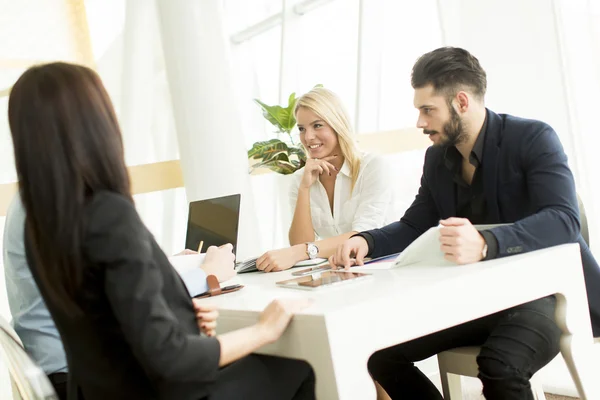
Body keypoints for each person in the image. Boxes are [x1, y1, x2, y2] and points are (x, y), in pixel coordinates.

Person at [7, 62, 315, 400]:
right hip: (159, 390)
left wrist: (176, 315)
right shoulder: (107, 213)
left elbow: (104, 323)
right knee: (297, 369)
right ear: (95, 124)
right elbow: (171, 362)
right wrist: (264, 330)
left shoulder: (39, 224)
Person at [330, 46, 600, 399]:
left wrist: (487, 243)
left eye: (428, 110)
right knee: (378, 354)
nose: (420, 122)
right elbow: (415, 225)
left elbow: (563, 220)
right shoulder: (436, 158)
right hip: (481, 298)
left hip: (549, 292)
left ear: (460, 102)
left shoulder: (534, 137)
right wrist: (367, 241)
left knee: (500, 365)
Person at [3, 195, 234, 399]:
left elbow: (108, 285)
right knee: (261, 369)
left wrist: (163, 267)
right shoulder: (67, 205)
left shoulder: (31, 200)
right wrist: (206, 274)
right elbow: (133, 304)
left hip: (60, 376)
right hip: (86, 383)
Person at [256, 87, 394, 272]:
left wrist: (301, 251)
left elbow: (361, 236)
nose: (308, 137)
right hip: (338, 270)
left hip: (379, 268)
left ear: (337, 124)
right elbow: (299, 244)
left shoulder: (372, 167)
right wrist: (304, 188)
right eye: (302, 129)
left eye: (317, 125)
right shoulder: (300, 179)